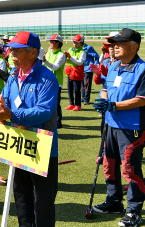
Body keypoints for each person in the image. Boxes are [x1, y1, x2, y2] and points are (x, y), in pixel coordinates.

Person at [0, 31, 59, 227]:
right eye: (11, 49)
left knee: (42, 199)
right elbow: (6, 100)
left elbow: (44, 111)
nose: (11, 53)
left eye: (17, 50)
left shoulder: (47, 78)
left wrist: (11, 115)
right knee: (20, 194)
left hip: (41, 145)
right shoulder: (13, 76)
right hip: (17, 142)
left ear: (33, 52)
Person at [92, 29, 145, 227]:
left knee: (130, 169)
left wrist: (113, 106)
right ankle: (114, 201)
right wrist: (102, 101)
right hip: (110, 125)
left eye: (120, 43)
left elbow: (141, 100)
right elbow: (106, 89)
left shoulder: (143, 69)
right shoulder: (113, 66)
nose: (115, 46)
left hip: (131, 127)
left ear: (134, 46)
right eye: (114, 43)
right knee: (109, 165)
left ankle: (134, 211)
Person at [44, 34, 67, 129]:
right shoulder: (49, 52)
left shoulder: (61, 55)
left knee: (56, 104)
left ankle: (58, 122)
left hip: (56, 83)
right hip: (46, 82)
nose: (50, 43)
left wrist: (44, 60)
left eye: (52, 41)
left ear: (58, 43)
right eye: (50, 41)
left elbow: (55, 67)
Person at [64, 34, 87, 111]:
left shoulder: (83, 52)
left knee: (77, 89)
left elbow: (79, 62)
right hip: (70, 71)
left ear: (81, 43)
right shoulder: (70, 49)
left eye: (77, 42)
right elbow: (67, 60)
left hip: (77, 72)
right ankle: (71, 103)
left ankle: (78, 105)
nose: (75, 43)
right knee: (69, 88)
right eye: (74, 42)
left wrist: (70, 57)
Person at [81, 35, 100, 105]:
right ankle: (83, 98)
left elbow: (97, 56)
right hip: (80, 69)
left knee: (87, 85)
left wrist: (94, 66)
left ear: (82, 41)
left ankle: (86, 99)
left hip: (88, 69)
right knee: (81, 85)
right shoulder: (77, 49)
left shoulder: (88, 48)